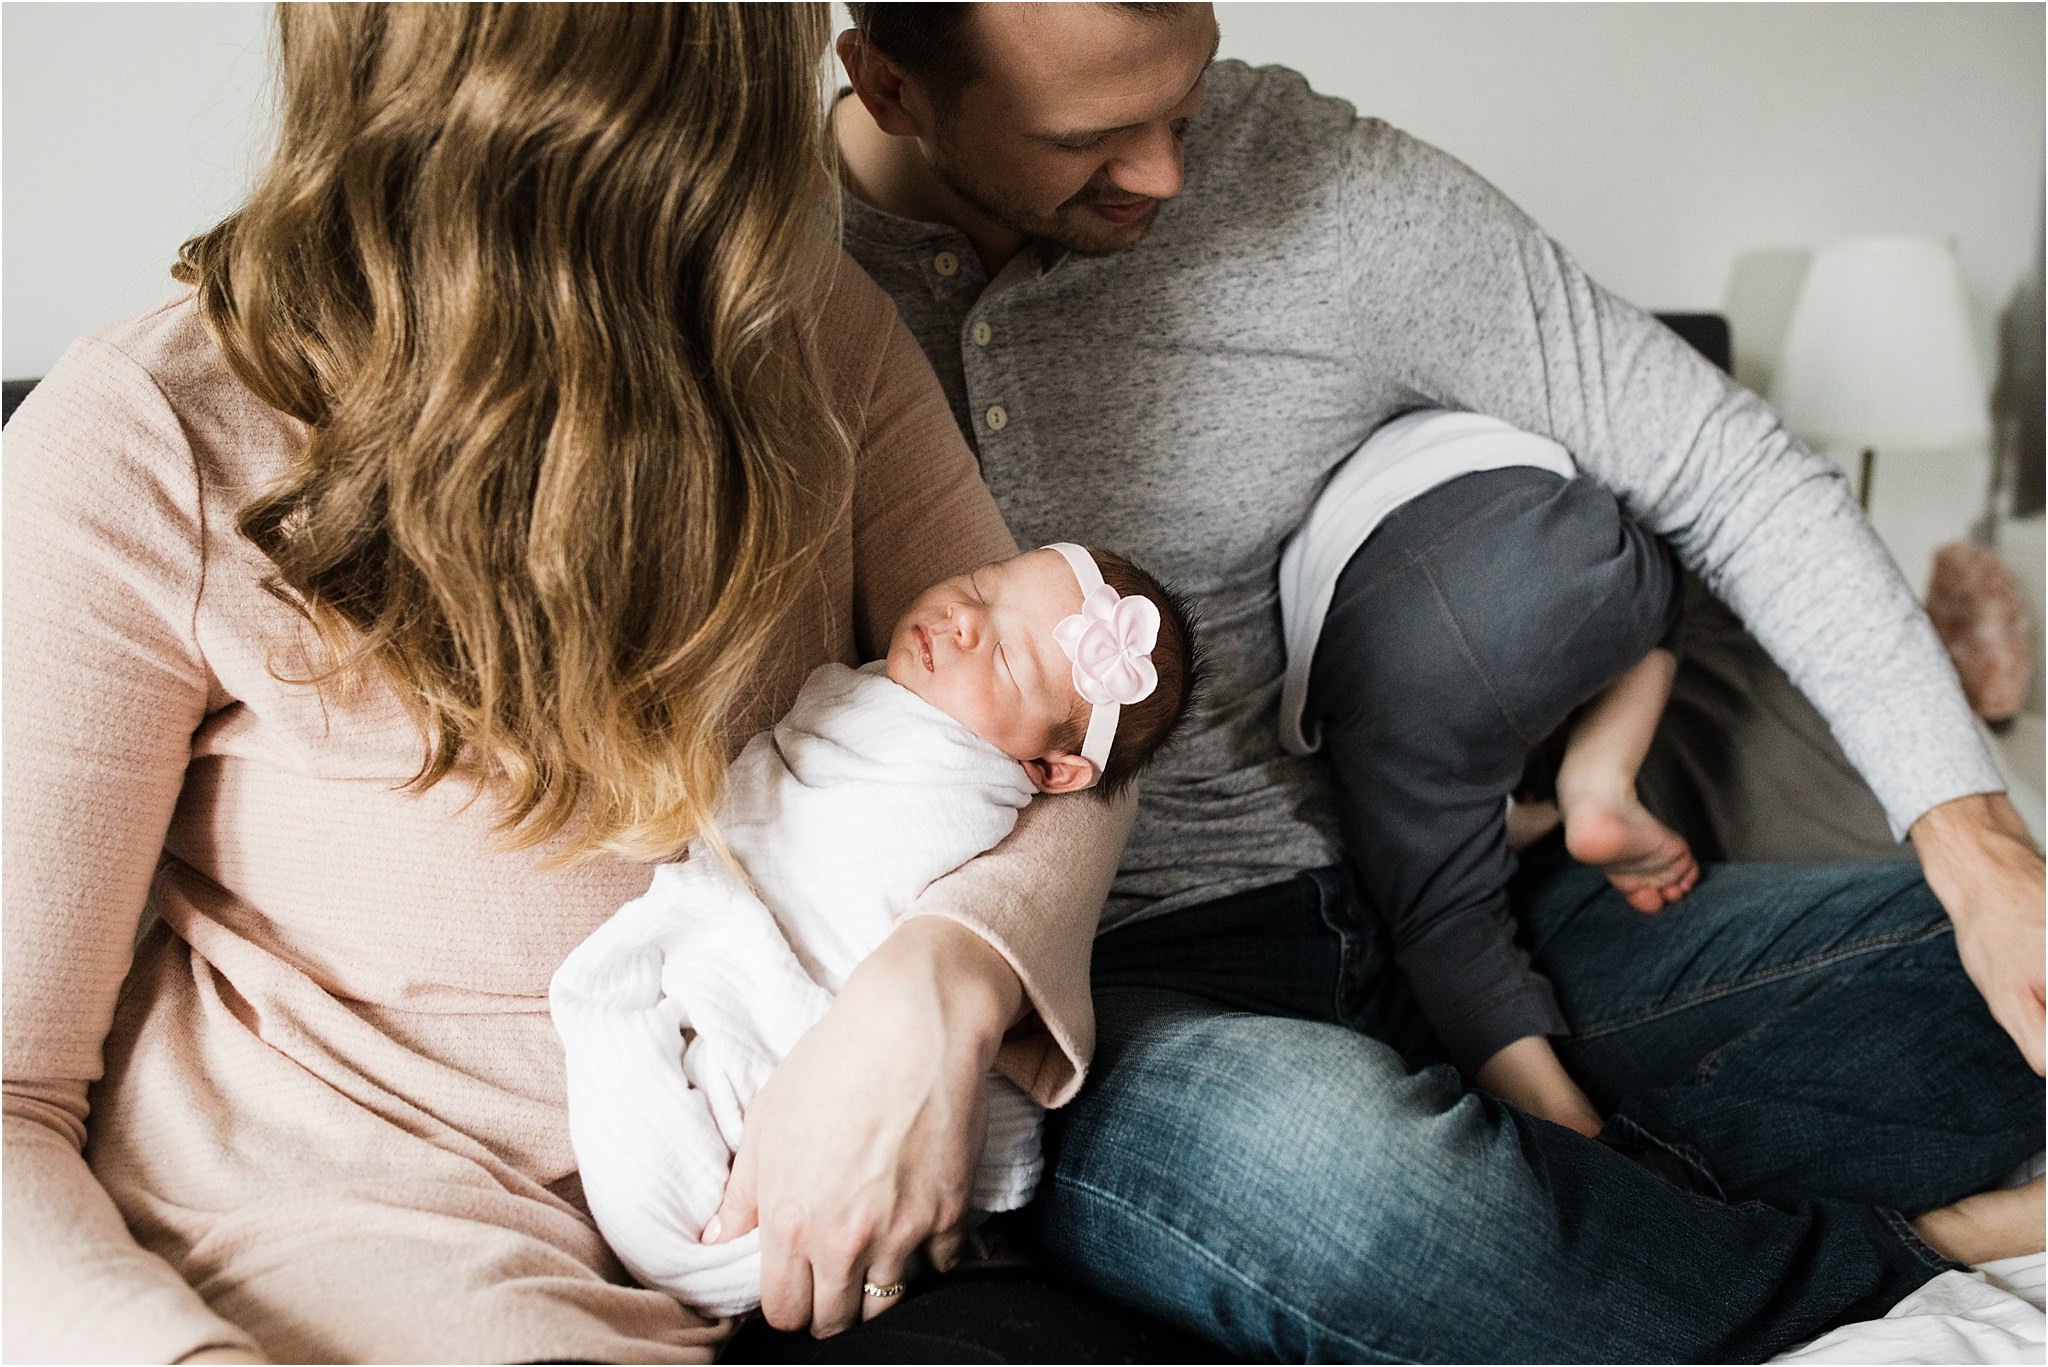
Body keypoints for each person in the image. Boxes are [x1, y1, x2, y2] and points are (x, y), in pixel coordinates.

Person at [804, 2, 2045, 1360]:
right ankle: (1905, 1254)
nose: (1168, 173)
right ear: (888, 84)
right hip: (1095, 1015)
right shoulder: (767, 271)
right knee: (1347, 1176)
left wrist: (1976, 847)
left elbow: (1727, 467)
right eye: (1092, 138)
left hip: (1416, 907)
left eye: (1188, 99)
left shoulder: (1317, 180)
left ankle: (1599, 1214)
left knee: (1976, 972)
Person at [0, 6, 1159, 1361]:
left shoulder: (804, 326)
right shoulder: (148, 436)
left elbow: (1079, 711)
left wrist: (944, 980)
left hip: (785, 1210)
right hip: (395, 1245)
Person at [553, 544, 1199, 1314]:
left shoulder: (962, 785)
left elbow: (862, 881)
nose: (962, 621)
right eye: (978, 584)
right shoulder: (875, 696)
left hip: (810, 1018)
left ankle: (741, 1217)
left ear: (1052, 772)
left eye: (1007, 661)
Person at [1277, 408, 1696, 1137]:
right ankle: (1600, 776)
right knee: (1668, 580)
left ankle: (1569, 1126)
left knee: (1443, 913)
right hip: (1542, 533)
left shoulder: (1304, 500)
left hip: (1372, 642)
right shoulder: (1481, 414)